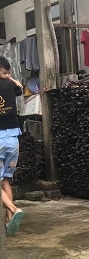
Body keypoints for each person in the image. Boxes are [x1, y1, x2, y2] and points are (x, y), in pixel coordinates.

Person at [0, 56, 25, 236]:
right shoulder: (12, 85)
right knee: (5, 179)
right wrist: (12, 79)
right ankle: (9, 220)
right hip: (13, 138)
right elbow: (19, 88)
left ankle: (13, 209)